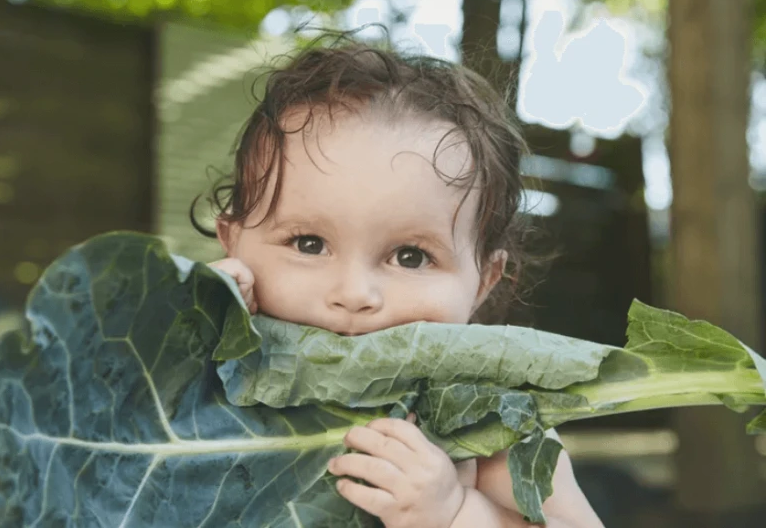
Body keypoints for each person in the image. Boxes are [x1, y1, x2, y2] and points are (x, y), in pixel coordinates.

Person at [194, 33, 604, 528]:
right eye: (307, 244)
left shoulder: (494, 422)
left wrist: (457, 513)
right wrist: (179, 332)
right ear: (232, 242)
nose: (353, 294)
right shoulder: (209, 369)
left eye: (411, 256)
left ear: (483, 281)